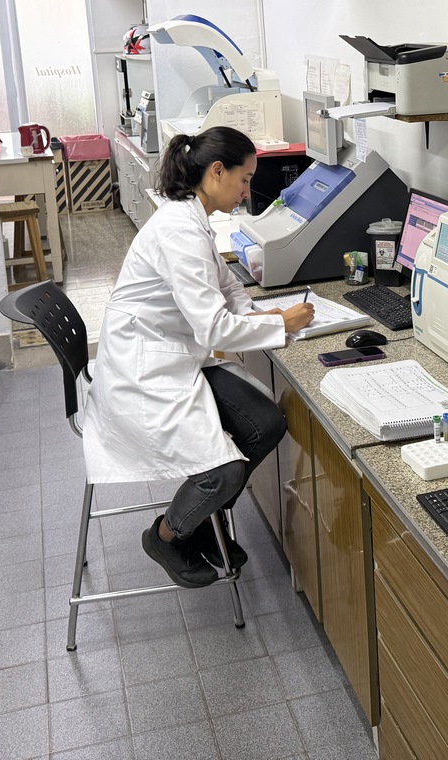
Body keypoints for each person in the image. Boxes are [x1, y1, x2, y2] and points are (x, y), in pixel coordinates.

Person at [84, 126, 315, 588]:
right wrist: (281, 326)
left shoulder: (194, 217)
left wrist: (260, 314)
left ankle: (205, 520)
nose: (247, 191)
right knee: (223, 470)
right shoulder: (179, 230)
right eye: (244, 179)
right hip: (141, 372)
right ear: (216, 172)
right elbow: (213, 329)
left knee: (266, 424)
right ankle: (168, 535)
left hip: (171, 357)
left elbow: (226, 288)